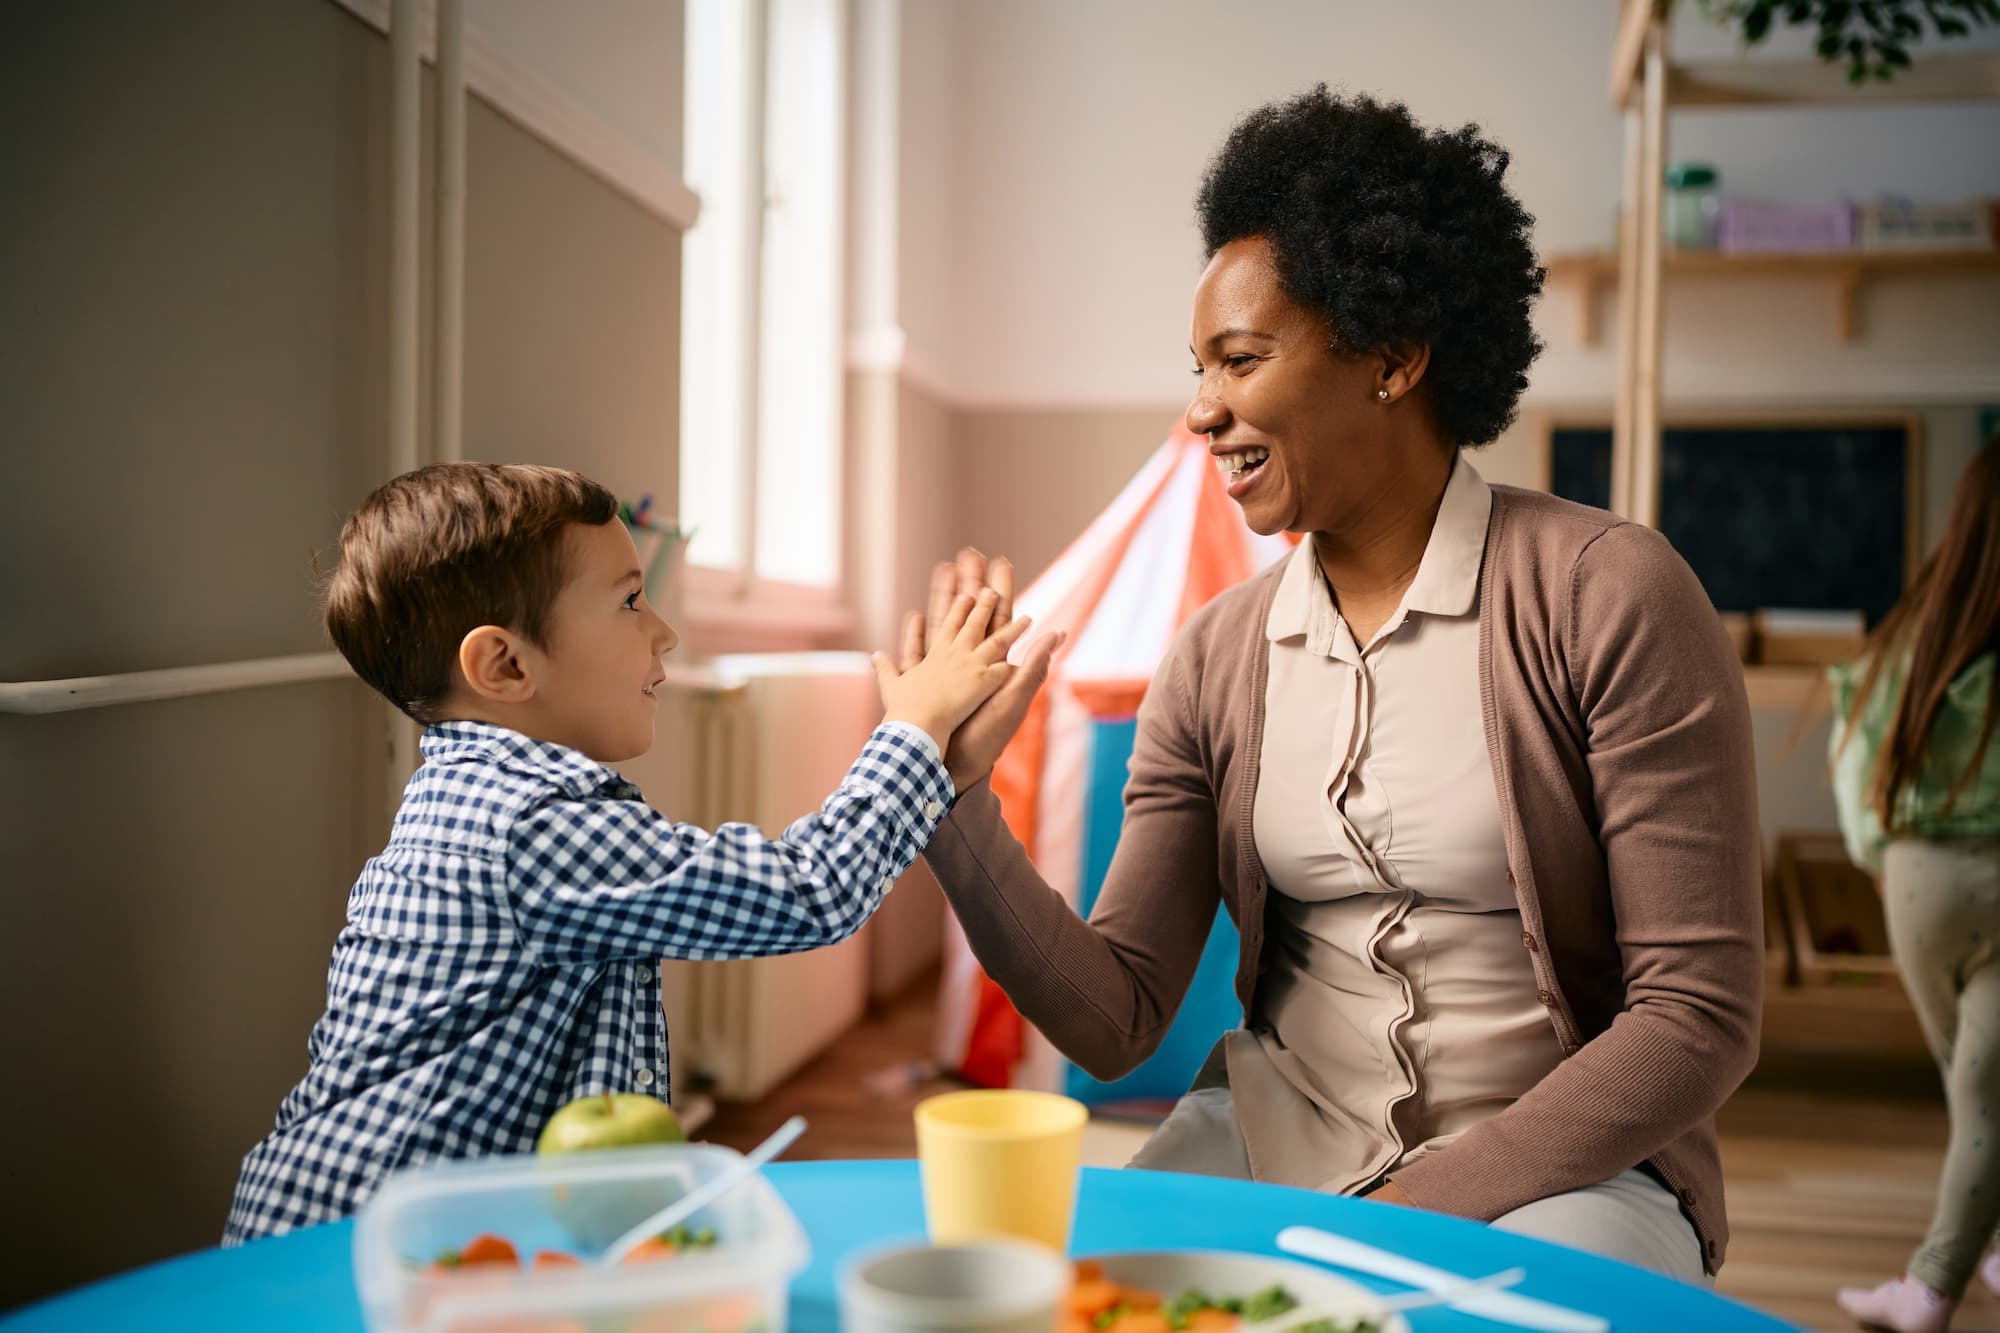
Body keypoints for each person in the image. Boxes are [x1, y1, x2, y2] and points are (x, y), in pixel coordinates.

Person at [901, 87, 1761, 1284]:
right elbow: (1117, 1016)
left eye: (1238, 361)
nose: (1201, 411)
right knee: (1075, 1303)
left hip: (1562, 1175)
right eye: (1196, 369)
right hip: (1268, 1144)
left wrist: (1410, 1210)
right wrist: (950, 799)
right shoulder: (1213, 657)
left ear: (1393, 357)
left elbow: (1694, 1015)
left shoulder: (1605, 593)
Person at [223, 462, 1057, 1242]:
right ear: (504, 663)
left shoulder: (489, 798)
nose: (663, 633)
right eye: (629, 602)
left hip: (415, 1235)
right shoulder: (528, 823)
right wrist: (913, 727)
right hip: (355, 1245)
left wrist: (938, 754)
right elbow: (812, 889)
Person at [1830, 438, 2000, 1333]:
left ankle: (1961, 1261)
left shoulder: (1922, 632)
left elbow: (1857, 755)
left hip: (1917, 882)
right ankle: (1931, 1290)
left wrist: (1881, 856)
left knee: (1971, 1081)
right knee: (1988, 1090)